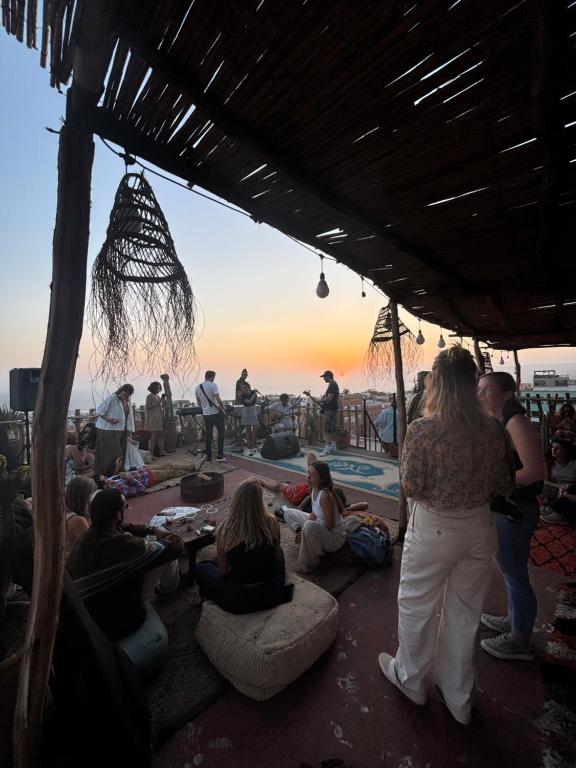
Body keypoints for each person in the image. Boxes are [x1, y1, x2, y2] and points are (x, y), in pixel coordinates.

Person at [378, 346, 512, 726]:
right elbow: (503, 485)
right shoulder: (494, 429)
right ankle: (458, 698)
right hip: (479, 529)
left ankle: (412, 680)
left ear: (436, 384)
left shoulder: (424, 431)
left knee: (416, 605)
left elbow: (412, 486)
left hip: (435, 527)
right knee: (465, 613)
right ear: (472, 386)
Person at [477, 371, 544, 662]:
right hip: (507, 508)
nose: (481, 394)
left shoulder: (517, 423)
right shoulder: (500, 423)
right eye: (479, 388)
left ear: (507, 394)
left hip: (517, 509)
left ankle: (520, 639)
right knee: (509, 569)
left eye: (487, 389)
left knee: (516, 575)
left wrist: (495, 481)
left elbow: (535, 472)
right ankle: (515, 619)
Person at [68, 488, 184, 641]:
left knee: (150, 552)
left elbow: (117, 529)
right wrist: (160, 532)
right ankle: (168, 589)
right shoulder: (125, 546)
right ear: (118, 515)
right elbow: (177, 547)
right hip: (122, 622)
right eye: (124, 508)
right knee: (162, 552)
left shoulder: (85, 539)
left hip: (89, 615)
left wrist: (147, 529)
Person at [195, 480, 294, 613]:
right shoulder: (271, 522)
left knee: (202, 567)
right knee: (279, 553)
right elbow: (276, 555)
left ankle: (207, 596)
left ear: (236, 501)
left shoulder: (226, 529)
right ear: (260, 501)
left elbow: (224, 572)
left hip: (239, 600)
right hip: (271, 594)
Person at [283, 460, 346, 573]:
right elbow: (314, 514)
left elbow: (329, 525)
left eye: (312, 475)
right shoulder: (313, 489)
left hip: (334, 537)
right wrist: (303, 530)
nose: (308, 477)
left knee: (309, 526)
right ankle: (306, 539)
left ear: (321, 479)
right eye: (308, 473)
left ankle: (314, 562)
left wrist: (307, 528)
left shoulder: (325, 495)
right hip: (319, 526)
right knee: (288, 513)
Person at [257, 451, 368, 513]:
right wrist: (346, 509)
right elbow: (365, 504)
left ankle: (263, 483)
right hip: (315, 485)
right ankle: (315, 472)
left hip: (300, 494)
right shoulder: (335, 498)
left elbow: (310, 499)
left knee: (281, 485)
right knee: (311, 456)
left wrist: (300, 507)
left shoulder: (323, 503)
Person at [94, 384, 135, 475]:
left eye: (127, 395)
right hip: (108, 430)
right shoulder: (112, 398)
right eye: (124, 394)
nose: (125, 396)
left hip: (121, 431)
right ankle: (107, 472)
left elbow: (129, 417)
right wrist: (109, 419)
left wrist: (129, 430)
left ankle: (118, 472)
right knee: (112, 453)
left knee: (122, 452)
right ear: (121, 391)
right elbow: (99, 410)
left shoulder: (128, 402)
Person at [541, 439, 576, 524]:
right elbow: (546, 481)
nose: (553, 450)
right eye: (552, 447)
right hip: (556, 487)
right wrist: (559, 487)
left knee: (571, 492)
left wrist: (567, 489)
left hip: (572, 488)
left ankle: (553, 508)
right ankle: (557, 503)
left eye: (558, 448)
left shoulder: (574, 463)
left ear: (566, 451)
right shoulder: (549, 461)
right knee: (545, 489)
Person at [195, 370, 226, 463]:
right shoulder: (213, 385)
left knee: (208, 435)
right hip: (216, 413)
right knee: (221, 434)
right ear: (212, 377)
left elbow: (199, 403)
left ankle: (208, 458)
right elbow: (218, 399)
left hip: (206, 415)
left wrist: (206, 407)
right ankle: (220, 456)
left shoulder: (198, 387)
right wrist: (223, 408)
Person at [64, 475, 98, 558]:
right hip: (70, 567)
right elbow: (90, 549)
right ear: (84, 498)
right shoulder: (79, 521)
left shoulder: (64, 512)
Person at [319, 370, 340, 455]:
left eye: (324, 377)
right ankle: (333, 445)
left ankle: (327, 448)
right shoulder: (333, 384)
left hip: (330, 410)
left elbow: (329, 398)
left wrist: (320, 400)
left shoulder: (332, 385)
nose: (324, 379)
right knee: (333, 428)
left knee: (327, 429)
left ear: (328, 376)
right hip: (333, 409)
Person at [144, 381, 167, 457]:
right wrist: (158, 402)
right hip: (153, 419)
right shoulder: (150, 396)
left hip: (158, 418)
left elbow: (160, 406)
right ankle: (150, 454)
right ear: (154, 388)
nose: (159, 389)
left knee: (161, 435)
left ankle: (162, 451)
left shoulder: (157, 396)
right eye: (158, 387)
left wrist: (163, 403)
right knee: (153, 436)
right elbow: (147, 407)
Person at [239, 381, 259, 452]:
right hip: (246, 410)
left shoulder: (253, 392)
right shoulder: (243, 395)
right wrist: (254, 394)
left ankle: (253, 443)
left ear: (248, 386)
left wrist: (254, 393)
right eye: (242, 388)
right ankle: (248, 444)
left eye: (244, 387)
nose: (243, 389)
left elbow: (253, 402)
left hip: (252, 409)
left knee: (254, 427)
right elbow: (249, 401)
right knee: (247, 428)